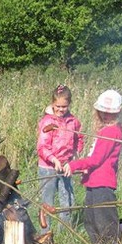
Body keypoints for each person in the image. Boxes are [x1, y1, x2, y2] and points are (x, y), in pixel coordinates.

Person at [63, 90, 122, 244]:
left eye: (109, 113)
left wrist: (74, 165)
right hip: (94, 181)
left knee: (104, 221)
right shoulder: (105, 130)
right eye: (102, 112)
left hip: (103, 183)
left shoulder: (111, 131)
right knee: (91, 219)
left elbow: (96, 159)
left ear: (117, 113)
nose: (105, 115)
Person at [36, 84, 84, 233]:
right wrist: (54, 160)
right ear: (52, 104)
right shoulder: (48, 122)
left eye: (64, 106)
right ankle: (46, 234)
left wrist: (74, 158)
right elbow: (42, 147)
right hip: (48, 167)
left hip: (66, 166)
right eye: (57, 106)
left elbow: (79, 139)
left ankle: (65, 232)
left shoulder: (73, 121)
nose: (61, 109)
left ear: (69, 104)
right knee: (47, 201)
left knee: (67, 199)